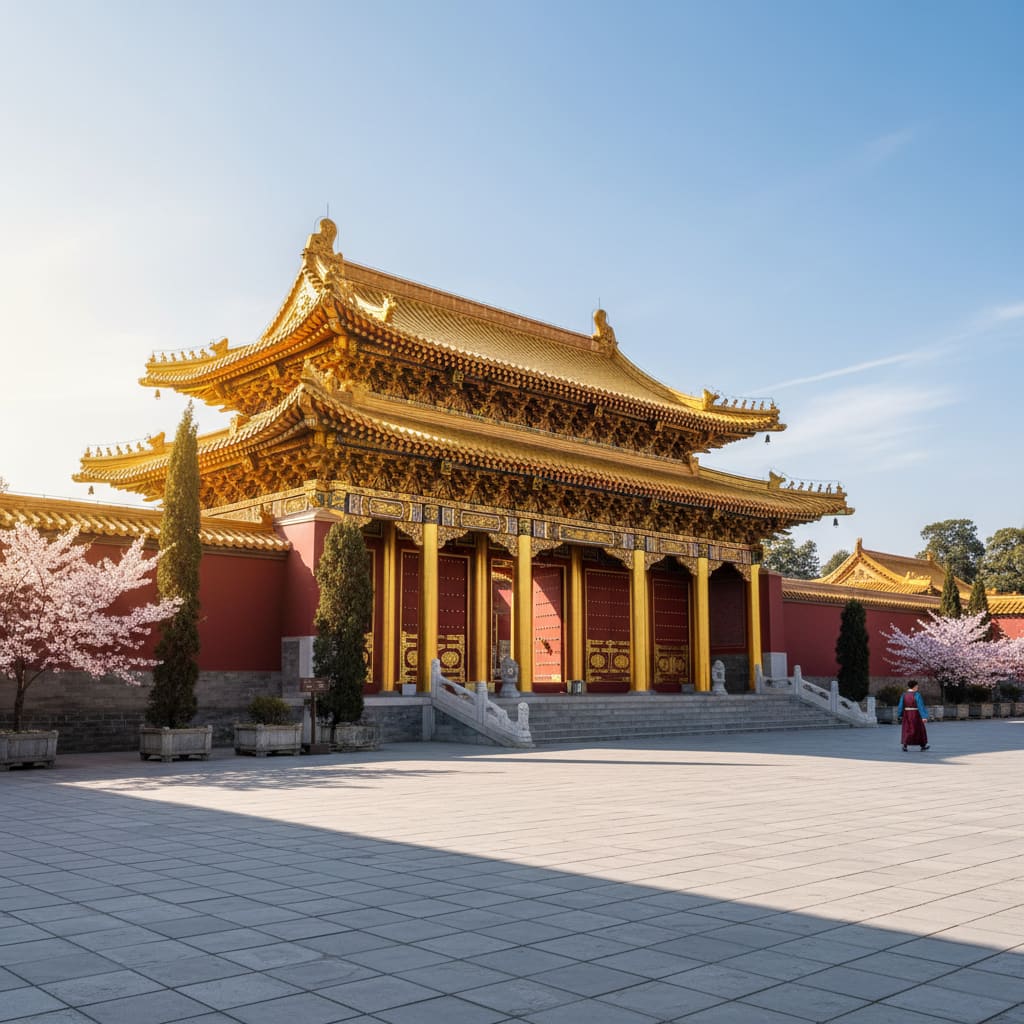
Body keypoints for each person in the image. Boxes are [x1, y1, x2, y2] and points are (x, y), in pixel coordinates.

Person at [896, 681, 929, 752]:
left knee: (907, 729)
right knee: (919, 730)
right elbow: (920, 706)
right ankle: (923, 746)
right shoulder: (917, 695)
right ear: (914, 687)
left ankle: (905, 745)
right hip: (916, 715)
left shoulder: (904, 695)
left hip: (907, 715)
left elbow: (901, 705)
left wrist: (899, 714)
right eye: (917, 686)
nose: (917, 687)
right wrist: (924, 716)